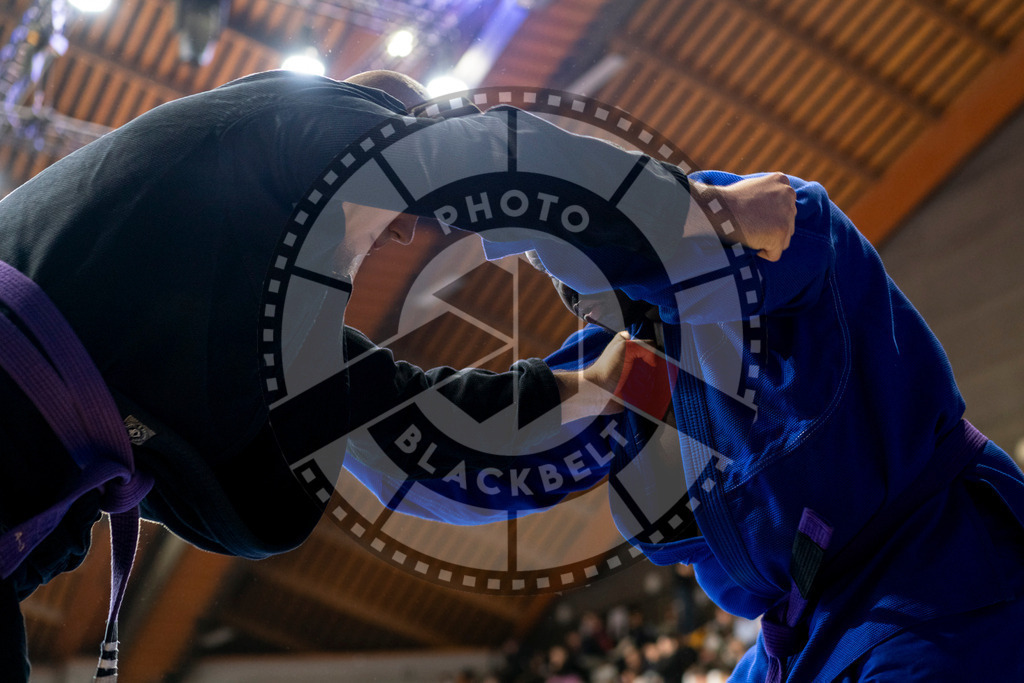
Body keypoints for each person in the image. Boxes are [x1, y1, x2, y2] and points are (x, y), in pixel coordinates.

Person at [0, 70, 793, 680]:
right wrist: (696, 211)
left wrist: (596, 387)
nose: (381, 245)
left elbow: (405, 422)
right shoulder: (299, 118)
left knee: (284, 485)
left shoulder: (235, 304)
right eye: (395, 225)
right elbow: (483, 154)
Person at [528, 171, 1024, 680]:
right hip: (807, 626)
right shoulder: (615, 350)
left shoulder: (773, 223)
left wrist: (669, 215)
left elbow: (756, 236)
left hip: (935, 575)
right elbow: (504, 440)